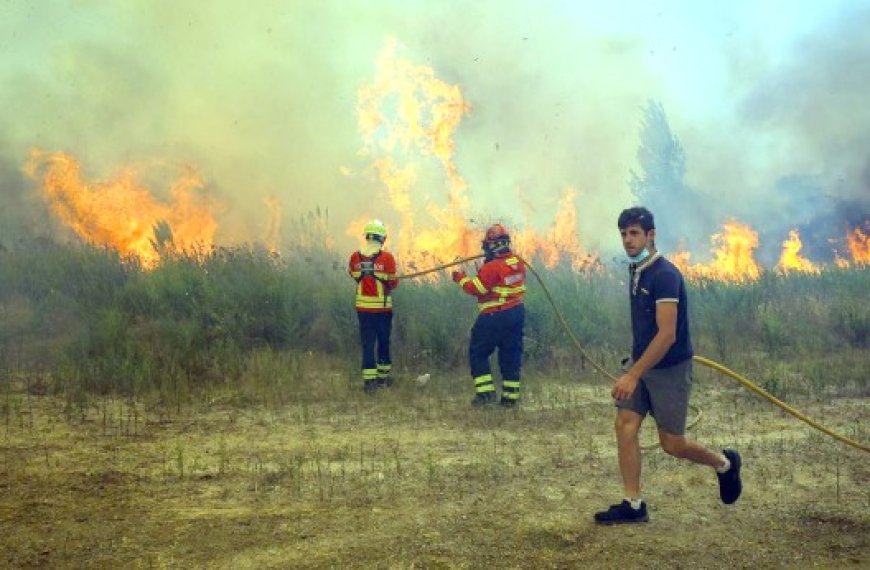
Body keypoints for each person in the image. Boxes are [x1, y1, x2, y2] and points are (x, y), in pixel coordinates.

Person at [594, 206, 742, 525]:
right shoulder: (637, 270)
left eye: (634, 233)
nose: (627, 240)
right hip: (642, 363)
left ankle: (725, 465)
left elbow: (667, 334)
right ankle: (633, 505)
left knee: (672, 445)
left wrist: (633, 374)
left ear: (651, 235)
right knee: (625, 425)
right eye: (623, 234)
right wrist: (635, 368)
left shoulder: (665, 275)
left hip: (669, 369)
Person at [451, 223, 526, 408]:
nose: (484, 249)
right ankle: (510, 398)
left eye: (486, 245)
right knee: (510, 355)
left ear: (493, 246)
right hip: (516, 313)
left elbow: (477, 288)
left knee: (478, 352)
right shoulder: (517, 262)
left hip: (495, 315)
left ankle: (485, 396)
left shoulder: (493, 267)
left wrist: (460, 278)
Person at [348, 219, 399, 394]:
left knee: (368, 344)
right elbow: (393, 284)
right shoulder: (387, 258)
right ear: (382, 238)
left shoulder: (355, 257)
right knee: (384, 343)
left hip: (363, 310)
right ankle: (383, 379)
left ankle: (369, 383)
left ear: (367, 236)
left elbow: (354, 275)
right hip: (383, 311)